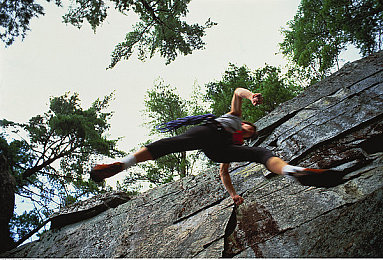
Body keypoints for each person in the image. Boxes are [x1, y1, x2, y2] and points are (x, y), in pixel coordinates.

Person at [90, 88, 329, 205]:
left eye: (251, 133)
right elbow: (237, 91)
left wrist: (233, 194)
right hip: (210, 131)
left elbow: (224, 171)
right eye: (249, 127)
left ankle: (292, 171)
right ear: (243, 123)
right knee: (170, 144)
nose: (249, 131)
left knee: (262, 153)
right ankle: (122, 164)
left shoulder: (237, 143)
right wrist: (251, 97)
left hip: (219, 149)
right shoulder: (234, 117)